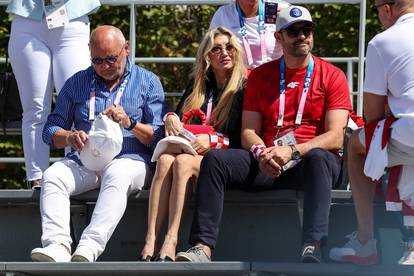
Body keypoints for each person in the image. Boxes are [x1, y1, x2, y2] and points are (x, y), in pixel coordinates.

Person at [176, 6, 352, 263]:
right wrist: (262, 154)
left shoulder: (332, 75)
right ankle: (202, 247)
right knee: (215, 160)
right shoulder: (260, 76)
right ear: (278, 37)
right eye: (293, 31)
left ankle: (312, 246)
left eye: (307, 30)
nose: (302, 36)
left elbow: (336, 136)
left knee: (319, 158)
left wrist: (291, 151)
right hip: (267, 161)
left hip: (308, 163)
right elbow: (248, 131)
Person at [30, 25, 165, 262]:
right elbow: (50, 130)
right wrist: (69, 137)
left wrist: (130, 123)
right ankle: (58, 245)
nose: (104, 67)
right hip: (87, 159)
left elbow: (158, 137)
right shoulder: (77, 82)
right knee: (53, 176)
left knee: (117, 172)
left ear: (126, 49)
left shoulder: (148, 82)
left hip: (131, 160)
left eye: (111, 59)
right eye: (97, 61)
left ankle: (89, 247)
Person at [140, 27, 246, 262]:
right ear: (207, 56)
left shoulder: (244, 87)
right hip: (195, 151)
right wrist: (170, 118)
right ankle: (150, 239)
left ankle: (171, 238)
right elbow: (179, 117)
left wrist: (214, 140)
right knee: (166, 159)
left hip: (227, 157)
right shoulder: (199, 85)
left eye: (229, 47)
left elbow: (246, 137)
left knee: (183, 162)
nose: (224, 53)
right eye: (216, 49)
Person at [329, 0, 414, 266]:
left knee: (356, 144)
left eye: (376, 10)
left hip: (409, 135)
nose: (378, 17)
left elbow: (373, 116)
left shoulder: (382, 41)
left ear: (387, 9)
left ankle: (366, 241)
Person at [7, 0, 101, 188]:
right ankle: (37, 179)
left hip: (71, 18)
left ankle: (75, 172)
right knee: (35, 109)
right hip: (27, 19)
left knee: (77, 106)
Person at [210, 0, 289, 70]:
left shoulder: (279, 8)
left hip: (277, 76)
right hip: (240, 79)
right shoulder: (223, 14)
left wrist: (287, 16)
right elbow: (210, 49)